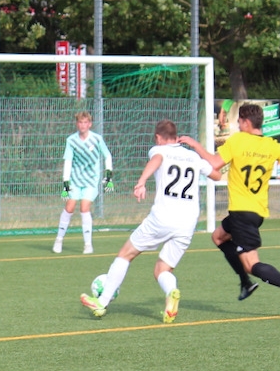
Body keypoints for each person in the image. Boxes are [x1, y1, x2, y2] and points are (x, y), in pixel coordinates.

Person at [179, 102, 280, 313]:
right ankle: (245, 283)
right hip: (256, 213)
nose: (238, 125)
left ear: (246, 122)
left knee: (251, 264)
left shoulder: (238, 141)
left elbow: (214, 163)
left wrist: (195, 145)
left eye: (239, 121)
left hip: (241, 213)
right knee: (218, 237)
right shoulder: (272, 145)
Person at [80, 119, 222, 323]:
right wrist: (197, 150)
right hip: (188, 222)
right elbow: (216, 175)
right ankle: (171, 292)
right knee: (162, 269)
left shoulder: (159, 150)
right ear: (176, 137)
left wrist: (141, 181)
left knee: (126, 254)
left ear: (158, 137)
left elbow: (156, 159)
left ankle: (102, 302)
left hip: (163, 217)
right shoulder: (193, 157)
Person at [53, 111, 114, 254]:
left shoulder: (97, 139)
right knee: (69, 207)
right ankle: (59, 240)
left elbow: (107, 156)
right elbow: (68, 162)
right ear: (77, 124)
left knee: (84, 207)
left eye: (85, 122)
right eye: (80, 122)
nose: (83, 125)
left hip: (91, 181)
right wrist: (66, 184)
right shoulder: (71, 140)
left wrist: (109, 176)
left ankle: (88, 244)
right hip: (75, 180)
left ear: (90, 124)